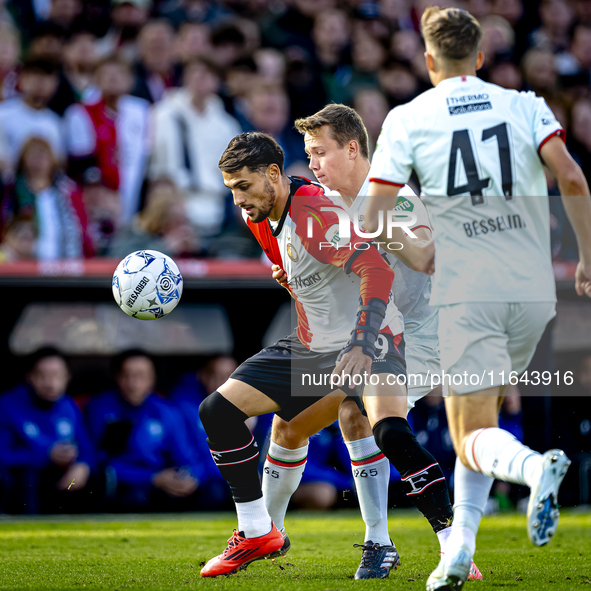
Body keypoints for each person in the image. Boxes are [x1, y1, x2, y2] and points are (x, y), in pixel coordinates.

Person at [363, 7, 591, 589]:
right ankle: (456, 552)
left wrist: (415, 254)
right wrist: (589, 257)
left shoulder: (409, 116)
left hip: (469, 292)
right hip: (536, 292)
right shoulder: (525, 104)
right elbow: (571, 178)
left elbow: (371, 217)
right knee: (476, 421)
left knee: (470, 435)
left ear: (429, 59)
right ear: (482, 57)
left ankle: (537, 468)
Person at [198, 131, 454, 578]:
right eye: (231, 189)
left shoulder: (319, 210)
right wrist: (288, 276)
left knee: (370, 422)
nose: (237, 199)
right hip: (313, 343)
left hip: (369, 338)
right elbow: (306, 269)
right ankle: (262, 531)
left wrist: (361, 341)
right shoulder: (258, 214)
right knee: (233, 415)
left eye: (243, 186)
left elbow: (374, 266)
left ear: (273, 175)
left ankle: (413, 541)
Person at [265, 104, 481, 580]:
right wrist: (295, 276)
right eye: (309, 153)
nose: (314, 163)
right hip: (366, 336)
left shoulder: (394, 196)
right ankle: (267, 535)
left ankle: (442, 543)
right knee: (288, 427)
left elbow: (424, 256)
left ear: (353, 148)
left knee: (360, 412)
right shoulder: (322, 204)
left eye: (321, 152)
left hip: (423, 337)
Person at [84, 350, 204, 511]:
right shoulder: (100, 409)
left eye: (141, 376)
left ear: (152, 379)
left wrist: (191, 477)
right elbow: (100, 465)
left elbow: (187, 457)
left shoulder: (166, 411)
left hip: (164, 482)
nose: (133, 383)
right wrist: (152, 478)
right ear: (116, 377)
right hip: (128, 486)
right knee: (137, 496)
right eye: (126, 376)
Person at [150, 57, 241, 243]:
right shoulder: (163, 114)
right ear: (185, 78)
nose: (200, 78)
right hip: (173, 208)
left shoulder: (227, 125)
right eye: (195, 72)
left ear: (217, 82)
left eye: (207, 74)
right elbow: (155, 167)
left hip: (215, 212)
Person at [0, 348, 95, 514]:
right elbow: (3, 455)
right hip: (25, 482)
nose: (50, 383)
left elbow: (86, 448)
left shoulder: (68, 405)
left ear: (67, 377)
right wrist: (46, 456)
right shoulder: (8, 405)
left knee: (95, 476)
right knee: (26, 476)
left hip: (64, 480)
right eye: (42, 376)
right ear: (29, 377)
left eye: (57, 375)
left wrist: (83, 465)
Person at [65, 55, 150, 224]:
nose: (113, 77)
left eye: (119, 73)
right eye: (106, 73)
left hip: (135, 195)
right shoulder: (80, 114)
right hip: (99, 202)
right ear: (96, 79)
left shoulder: (142, 111)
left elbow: (147, 155)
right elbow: (84, 167)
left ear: (131, 80)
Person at [1, 137, 92, 259]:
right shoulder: (12, 191)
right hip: (21, 265)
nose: (38, 159)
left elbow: (82, 229)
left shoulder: (68, 192)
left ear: (52, 160)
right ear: (23, 159)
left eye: (43, 154)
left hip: (63, 263)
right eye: (33, 154)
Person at [0, 57, 64, 173]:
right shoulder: (3, 114)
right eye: (35, 75)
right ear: (22, 80)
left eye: (47, 77)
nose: (41, 82)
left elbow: (58, 165)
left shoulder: (55, 123)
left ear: (55, 85)